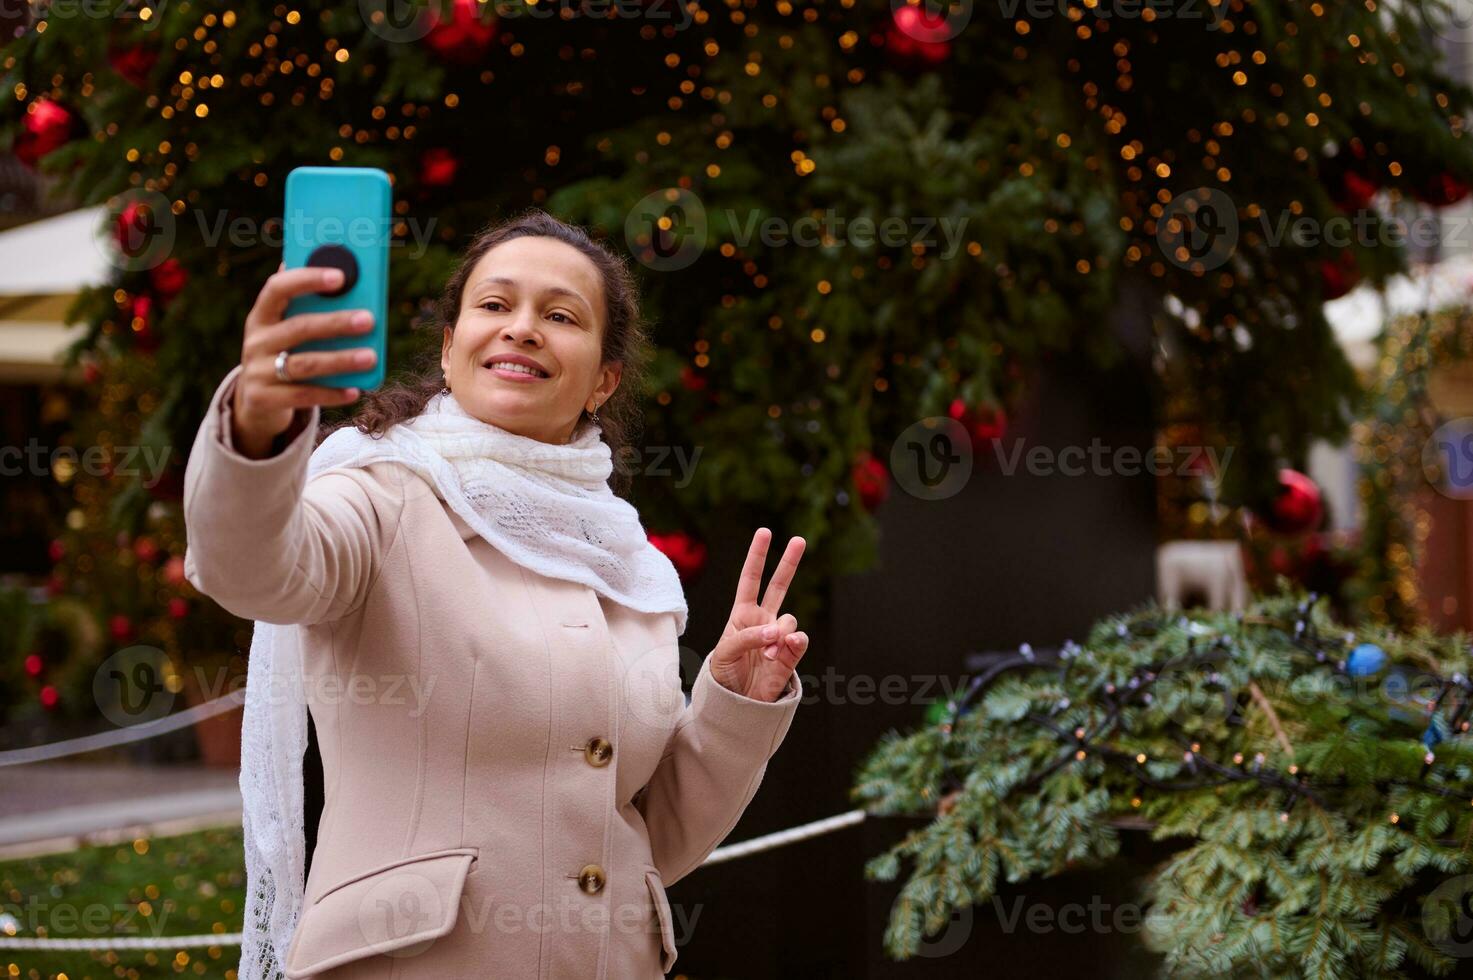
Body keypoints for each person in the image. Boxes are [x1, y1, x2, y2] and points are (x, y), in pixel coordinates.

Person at [182, 209, 810, 979]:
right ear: (449, 350)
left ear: (603, 381)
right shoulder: (377, 493)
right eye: (493, 305)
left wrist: (732, 704)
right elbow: (250, 570)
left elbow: (654, 838)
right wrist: (256, 425)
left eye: (559, 315)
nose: (521, 328)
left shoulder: (628, 558)